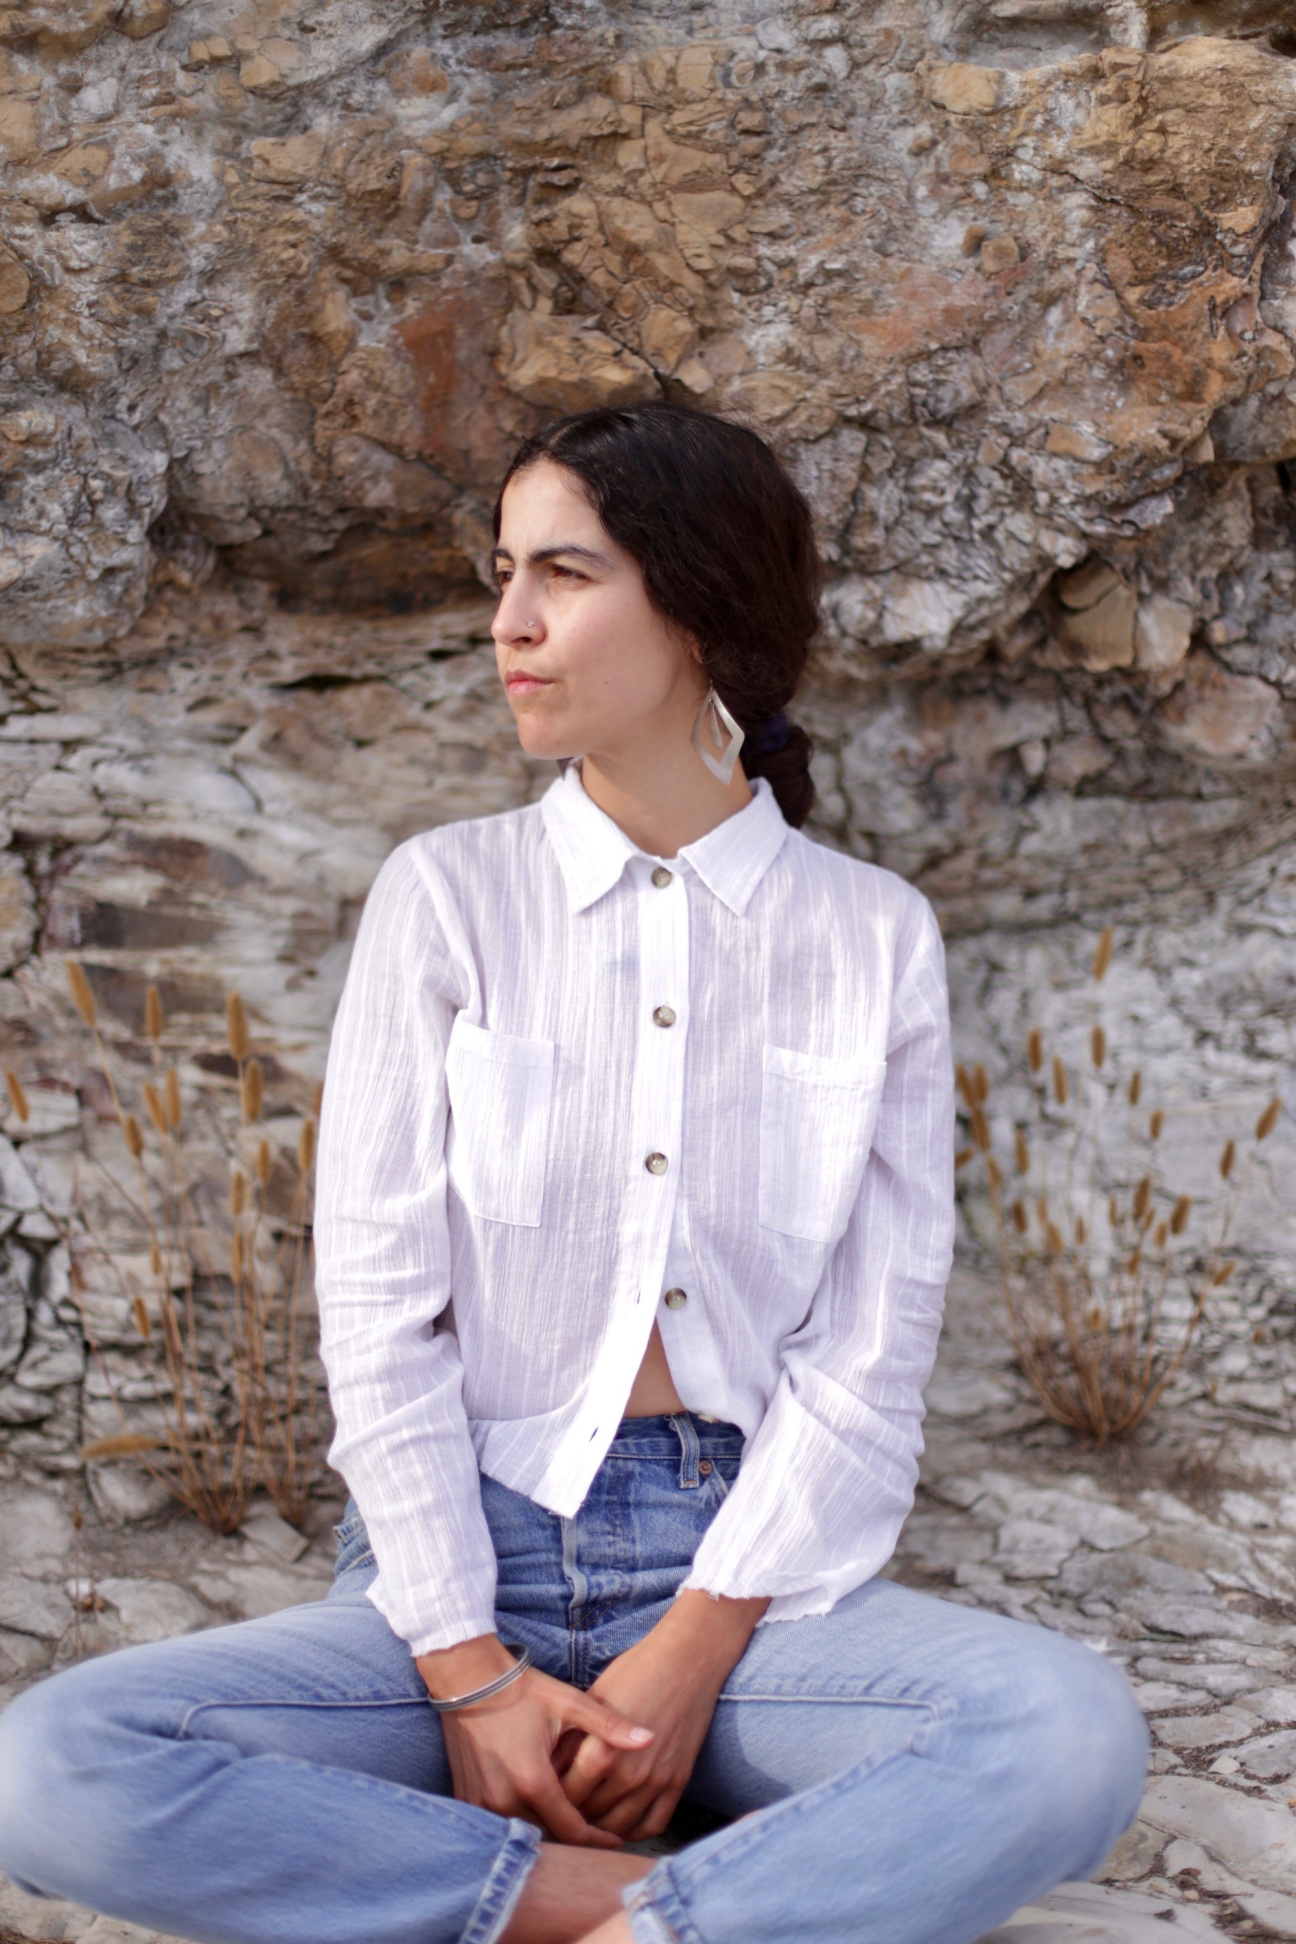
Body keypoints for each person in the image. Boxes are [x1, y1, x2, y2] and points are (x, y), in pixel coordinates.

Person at [0, 402, 1147, 1944]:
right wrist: (468, 1674)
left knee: (1070, 1740)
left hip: (751, 1600)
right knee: (49, 1768)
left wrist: (693, 1651)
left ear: (696, 603)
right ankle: (630, 1905)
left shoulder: (870, 935)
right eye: (502, 573)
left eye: (564, 574)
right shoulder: (450, 897)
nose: (509, 623)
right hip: (458, 1560)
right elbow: (380, 1317)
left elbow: (871, 1355)